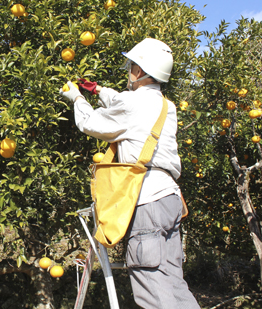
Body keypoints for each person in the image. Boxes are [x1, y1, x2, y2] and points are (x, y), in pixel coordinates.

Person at [59, 38, 200, 309]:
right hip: (169, 200)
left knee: (154, 293)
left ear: (141, 71)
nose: (128, 70)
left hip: (146, 202)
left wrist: (76, 97)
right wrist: (98, 89)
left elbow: (91, 123)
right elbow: (125, 102)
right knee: (173, 285)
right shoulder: (165, 106)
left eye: (131, 66)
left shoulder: (134, 105)